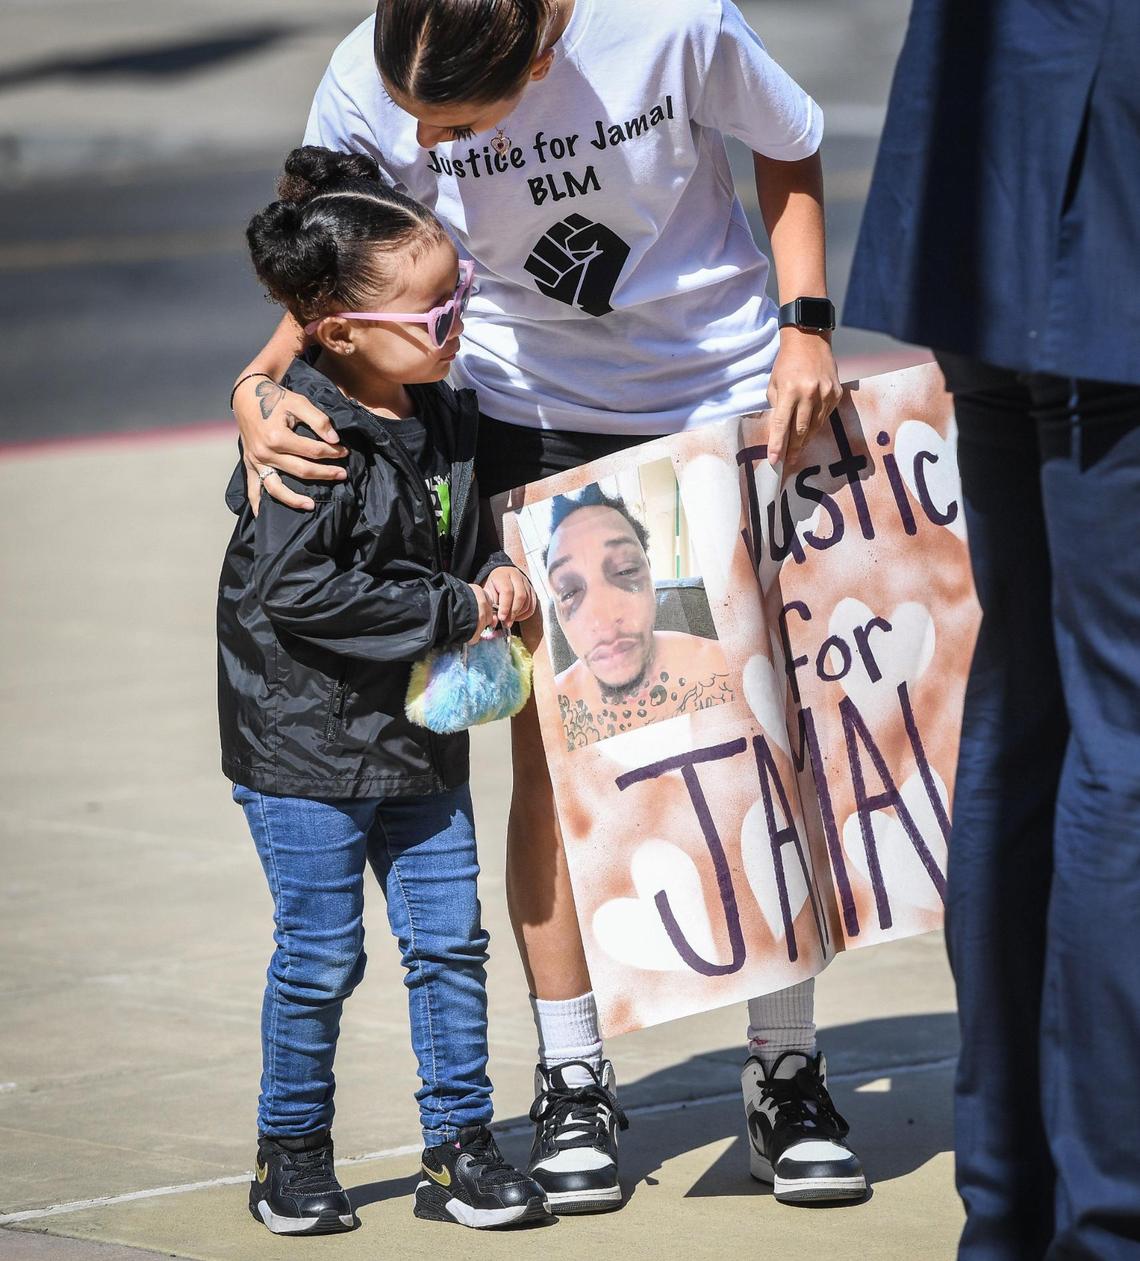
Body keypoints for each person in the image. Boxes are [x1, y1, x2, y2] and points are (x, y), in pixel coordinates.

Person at [231, 0, 866, 1209]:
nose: (435, 147)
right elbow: (338, 254)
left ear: (539, 55)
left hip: (713, 387)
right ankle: (574, 1072)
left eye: (457, 128)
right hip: (524, 409)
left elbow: (788, 138)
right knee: (557, 755)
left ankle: (786, 1070)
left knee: (750, 741)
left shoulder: (673, 23)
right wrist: (260, 378)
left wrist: (804, 327)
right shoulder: (379, 63)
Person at [845, 1, 1140, 1255]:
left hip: (997, 174)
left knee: (1030, 711)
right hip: (1104, 183)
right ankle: (1104, 1215)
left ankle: (1017, 1205)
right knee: (1113, 737)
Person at [218, 145, 546, 1235]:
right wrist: (453, 610)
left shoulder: (442, 407)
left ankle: (458, 1146)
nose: (455, 318)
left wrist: (492, 565)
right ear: (341, 331)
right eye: (431, 307)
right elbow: (298, 588)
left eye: (458, 295)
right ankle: (291, 1152)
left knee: (449, 940)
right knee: (322, 955)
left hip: (416, 738)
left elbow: (465, 530)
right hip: (305, 745)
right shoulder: (306, 435)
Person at [543, 487, 733, 749]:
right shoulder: (549, 719)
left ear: (651, 580)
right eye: (569, 591)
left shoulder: (721, 669)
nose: (603, 616)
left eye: (625, 570)